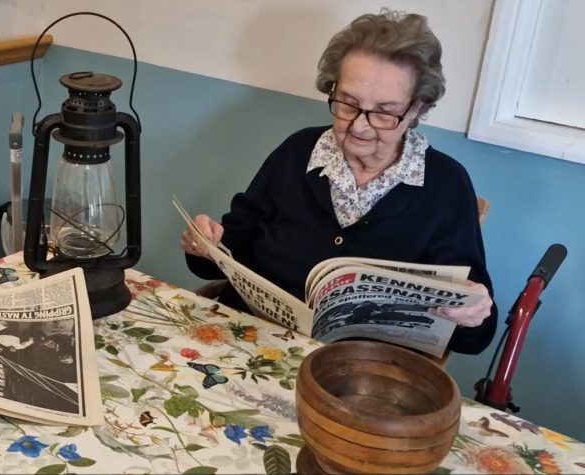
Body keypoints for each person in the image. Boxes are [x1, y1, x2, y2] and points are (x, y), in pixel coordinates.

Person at [181, 10, 496, 355]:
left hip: (361, 373)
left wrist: (472, 313)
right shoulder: (298, 150)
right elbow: (233, 247)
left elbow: (474, 337)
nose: (359, 126)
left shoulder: (445, 186)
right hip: (252, 340)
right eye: (348, 103)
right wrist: (206, 245)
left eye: (384, 112)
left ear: (416, 108)